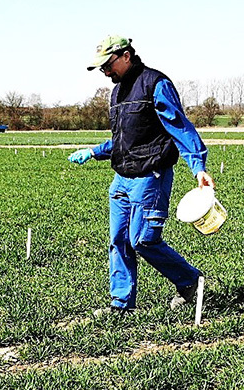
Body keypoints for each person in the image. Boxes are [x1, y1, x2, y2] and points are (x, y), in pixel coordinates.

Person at [68, 35, 214, 317]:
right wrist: (94, 151)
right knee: (119, 240)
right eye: (101, 68)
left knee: (143, 240)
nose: (105, 72)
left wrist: (198, 166)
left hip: (150, 176)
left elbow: (179, 127)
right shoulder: (117, 93)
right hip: (122, 178)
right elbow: (124, 140)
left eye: (108, 65)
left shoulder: (155, 84)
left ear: (126, 55)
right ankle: (121, 305)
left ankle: (191, 282)